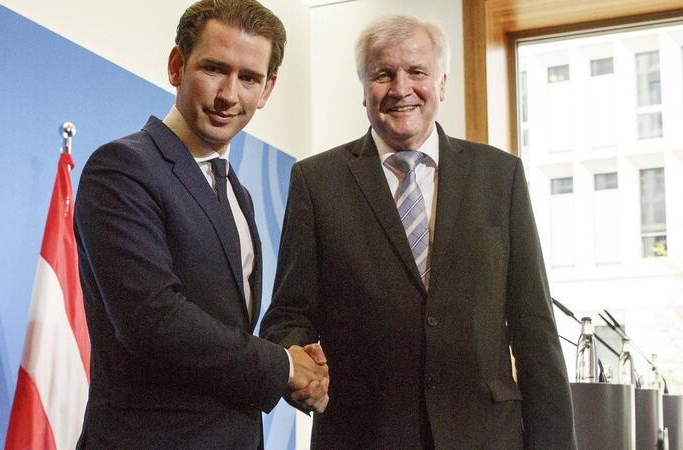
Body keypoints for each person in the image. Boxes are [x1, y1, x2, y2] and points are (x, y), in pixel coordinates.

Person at [261, 14, 576, 449]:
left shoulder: (499, 176)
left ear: (442, 84)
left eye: (417, 72)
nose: (400, 88)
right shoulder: (317, 181)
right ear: (364, 90)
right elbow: (289, 316)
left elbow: (534, 326)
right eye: (383, 74)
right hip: (363, 435)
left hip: (486, 435)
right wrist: (301, 374)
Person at [74, 1, 327, 448]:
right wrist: (283, 367)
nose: (229, 94)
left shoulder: (238, 194)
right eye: (214, 69)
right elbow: (154, 322)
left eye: (249, 78)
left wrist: (300, 369)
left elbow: (227, 333)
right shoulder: (121, 168)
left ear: (268, 89)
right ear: (177, 65)